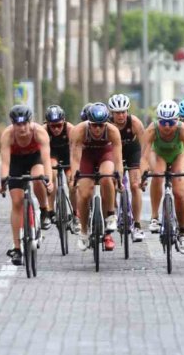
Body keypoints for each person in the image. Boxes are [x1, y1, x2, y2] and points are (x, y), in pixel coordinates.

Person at [0, 105, 53, 264]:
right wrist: (3, 181)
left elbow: (46, 160)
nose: (22, 128)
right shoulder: (7, 135)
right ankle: (16, 249)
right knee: (16, 202)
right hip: (16, 163)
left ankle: (44, 210)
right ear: (13, 124)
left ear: (30, 122)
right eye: (18, 124)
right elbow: (5, 163)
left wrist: (48, 180)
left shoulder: (39, 133)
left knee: (38, 178)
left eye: (24, 124)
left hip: (35, 159)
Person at [139, 100, 184, 253]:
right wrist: (143, 176)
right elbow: (144, 157)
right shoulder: (152, 130)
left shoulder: (183, 130)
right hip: (159, 155)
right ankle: (154, 217)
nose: (167, 126)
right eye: (163, 122)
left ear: (176, 121)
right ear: (158, 120)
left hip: (178, 155)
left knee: (179, 192)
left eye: (171, 122)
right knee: (157, 175)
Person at [70, 102, 123, 252]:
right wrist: (75, 177)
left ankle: (111, 216)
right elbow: (75, 158)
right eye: (94, 125)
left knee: (107, 177)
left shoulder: (112, 131)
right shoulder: (79, 130)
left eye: (101, 125)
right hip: (86, 157)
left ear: (106, 123)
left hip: (105, 154)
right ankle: (84, 231)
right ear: (89, 123)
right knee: (84, 193)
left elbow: (118, 160)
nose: (98, 128)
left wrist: (118, 178)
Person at [109, 93, 147, 241]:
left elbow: (145, 148)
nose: (121, 115)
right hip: (113, 152)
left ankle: (137, 225)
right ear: (112, 113)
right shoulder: (107, 124)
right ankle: (115, 210)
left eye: (124, 112)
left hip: (132, 151)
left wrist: (144, 171)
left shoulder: (135, 123)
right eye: (117, 112)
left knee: (135, 186)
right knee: (111, 182)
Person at [45, 104, 78, 233]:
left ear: (64, 122)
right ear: (47, 124)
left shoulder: (71, 130)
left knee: (72, 184)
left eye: (59, 125)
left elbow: (76, 152)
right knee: (51, 174)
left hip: (68, 155)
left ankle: (76, 215)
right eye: (53, 126)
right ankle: (50, 211)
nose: (56, 129)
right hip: (53, 155)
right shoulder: (43, 130)